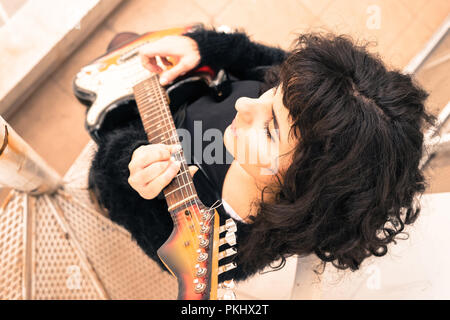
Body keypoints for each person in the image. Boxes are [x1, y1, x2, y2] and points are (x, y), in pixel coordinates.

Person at [88, 25, 434, 284]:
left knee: (108, 69)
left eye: (270, 129)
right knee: (126, 42)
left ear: (303, 191)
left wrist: (128, 163)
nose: (245, 103)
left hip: (126, 151)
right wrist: (203, 47)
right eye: (272, 92)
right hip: (180, 89)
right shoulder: (305, 102)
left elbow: (114, 182)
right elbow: (256, 55)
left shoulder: (210, 252)